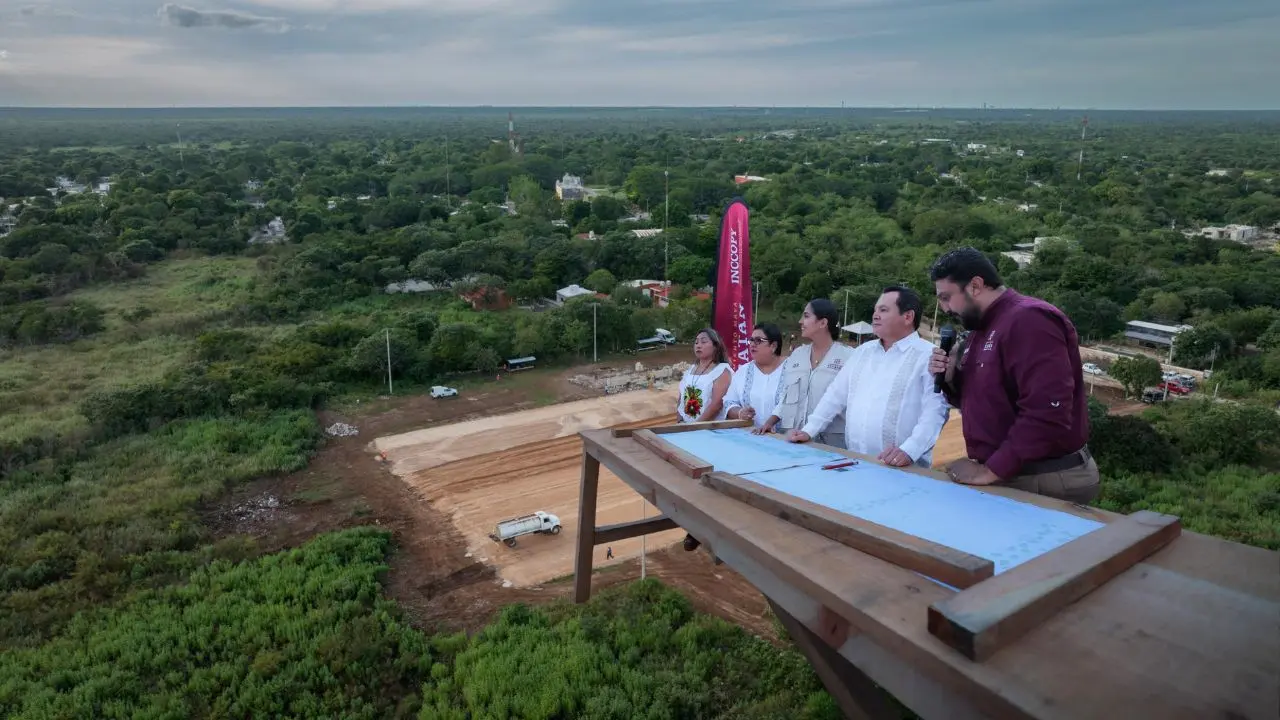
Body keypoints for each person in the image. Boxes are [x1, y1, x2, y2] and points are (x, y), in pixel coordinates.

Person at [927, 247, 1100, 504]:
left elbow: (1048, 411)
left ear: (975, 285)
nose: (944, 308)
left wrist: (991, 470)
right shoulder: (979, 330)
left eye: (946, 297)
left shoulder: (1029, 319)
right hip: (1013, 474)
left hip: (1045, 478)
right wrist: (951, 377)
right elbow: (983, 402)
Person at [787, 286, 949, 467]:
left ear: (908, 317)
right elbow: (835, 395)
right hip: (854, 461)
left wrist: (909, 451)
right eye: (875, 310)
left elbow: (935, 413)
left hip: (903, 467)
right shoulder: (863, 352)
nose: (875, 315)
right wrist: (809, 430)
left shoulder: (929, 356)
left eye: (884, 310)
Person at [756, 299, 854, 446]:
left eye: (806, 316)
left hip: (831, 443)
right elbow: (786, 396)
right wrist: (771, 421)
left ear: (823, 323)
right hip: (793, 438)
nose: (801, 321)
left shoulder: (848, 357)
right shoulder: (797, 355)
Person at [724, 322, 786, 429]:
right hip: (751, 438)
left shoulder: (792, 369)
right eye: (751, 340)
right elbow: (728, 402)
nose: (752, 344)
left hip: (785, 439)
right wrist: (740, 412)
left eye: (758, 341)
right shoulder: (743, 371)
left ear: (773, 346)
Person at [675, 328, 733, 423]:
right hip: (685, 427)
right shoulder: (690, 370)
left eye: (703, 342)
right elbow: (681, 398)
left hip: (709, 429)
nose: (698, 346)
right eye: (696, 342)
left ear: (716, 346)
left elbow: (717, 405)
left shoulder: (722, 371)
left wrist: (695, 426)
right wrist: (680, 421)